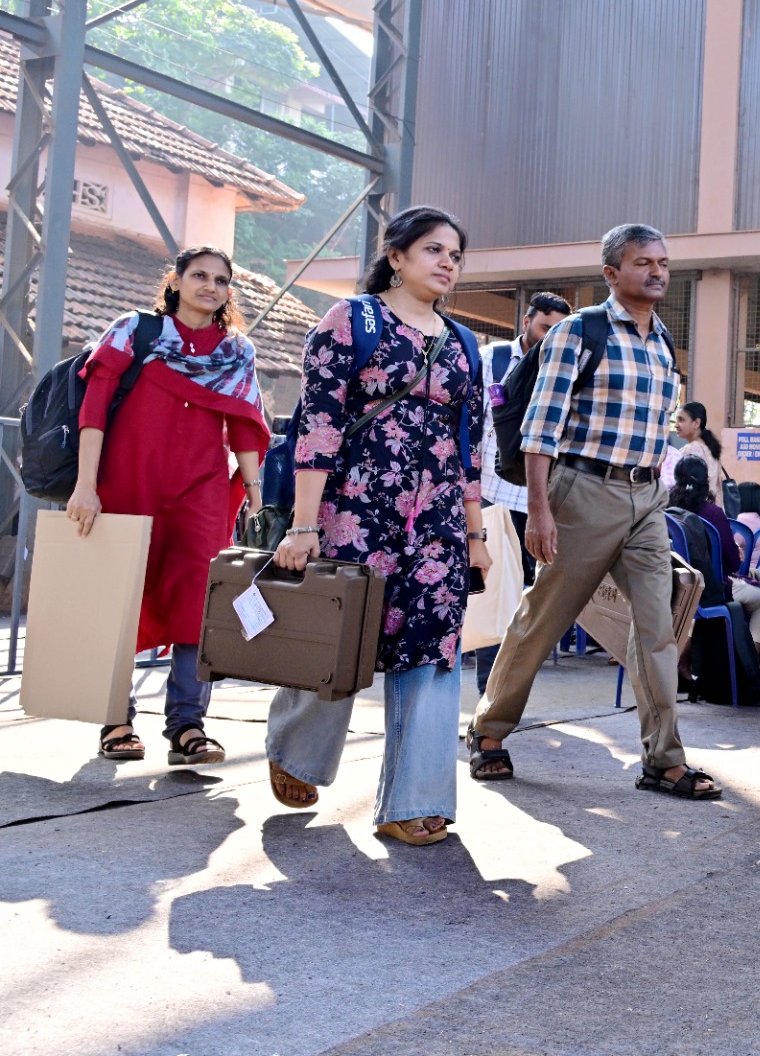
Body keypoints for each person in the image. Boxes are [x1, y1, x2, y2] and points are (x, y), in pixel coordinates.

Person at [264, 206, 490, 848]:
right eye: (434, 250)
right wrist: (303, 527)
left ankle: (412, 798)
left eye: (456, 254)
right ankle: (297, 751)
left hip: (438, 524)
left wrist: (474, 536)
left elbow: (469, 447)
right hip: (354, 512)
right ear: (396, 256)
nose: (448, 262)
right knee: (340, 636)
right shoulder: (351, 321)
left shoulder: (465, 343)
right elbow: (316, 427)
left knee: (432, 649)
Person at [470, 223, 721, 799]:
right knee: (544, 619)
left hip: (646, 499)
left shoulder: (662, 342)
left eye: (663, 262)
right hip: (581, 493)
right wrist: (539, 510)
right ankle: (488, 731)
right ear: (611, 273)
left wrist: (651, 491)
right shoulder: (578, 332)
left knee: (659, 627)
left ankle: (664, 760)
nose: (657, 271)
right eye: (643, 263)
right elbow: (539, 431)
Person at [67, 247, 270, 767]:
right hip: (126, 479)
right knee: (120, 595)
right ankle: (115, 718)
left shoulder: (235, 351)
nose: (211, 286)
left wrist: (254, 489)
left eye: (221, 280)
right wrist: (86, 485)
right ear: (175, 281)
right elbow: (94, 410)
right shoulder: (134, 332)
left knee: (196, 599)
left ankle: (187, 725)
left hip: (199, 488)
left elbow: (244, 423)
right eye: (199, 275)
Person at [473, 291, 572, 694]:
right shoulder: (492, 359)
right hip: (489, 493)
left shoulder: (563, 368)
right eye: (545, 327)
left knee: (528, 595)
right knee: (490, 588)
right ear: (528, 319)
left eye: (558, 331)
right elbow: (471, 420)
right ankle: (487, 688)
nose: (550, 337)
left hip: (536, 500)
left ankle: (512, 684)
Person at [668, 455, 760, 669]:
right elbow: (733, 564)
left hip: (674, 588)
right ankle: (747, 663)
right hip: (712, 590)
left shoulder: (667, 512)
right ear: (706, 480)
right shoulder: (713, 513)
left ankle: (681, 658)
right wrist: (736, 553)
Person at [674, 401, 726, 490]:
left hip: (695, 502)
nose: (676, 425)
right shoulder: (709, 447)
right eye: (676, 420)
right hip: (711, 503)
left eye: (681, 420)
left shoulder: (692, 449)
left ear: (697, 423)